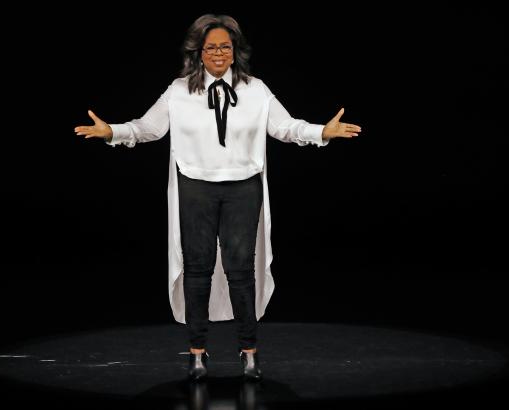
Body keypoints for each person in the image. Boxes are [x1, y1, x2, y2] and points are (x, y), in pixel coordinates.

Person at [74, 14, 362, 381]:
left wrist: (323, 130)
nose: (218, 53)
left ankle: (249, 351)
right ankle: (197, 352)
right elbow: (148, 128)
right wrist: (112, 131)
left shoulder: (256, 90)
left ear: (235, 51)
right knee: (197, 270)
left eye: (225, 46)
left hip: (244, 186)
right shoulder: (179, 91)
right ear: (198, 52)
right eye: (211, 47)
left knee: (241, 270)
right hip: (195, 185)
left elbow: (285, 127)